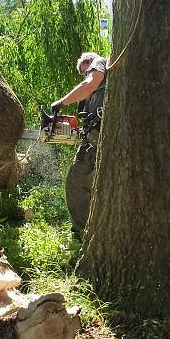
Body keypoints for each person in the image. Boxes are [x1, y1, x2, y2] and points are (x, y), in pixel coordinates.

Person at [51, 51, 107, 235]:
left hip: (97, 137)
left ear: (89, 62)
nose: (87, 75)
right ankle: (97, 228)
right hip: (98, 135)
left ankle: (82, 231)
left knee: (75, 183)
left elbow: (89, 84)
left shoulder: (99, 62)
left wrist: (62, 102)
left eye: (86, 71)